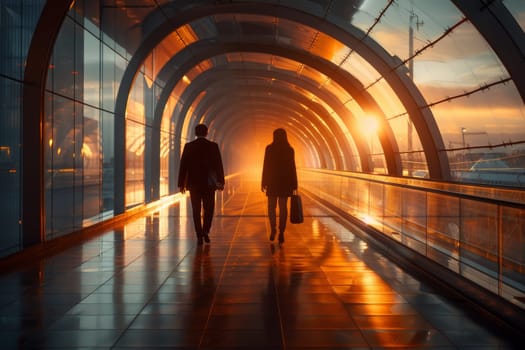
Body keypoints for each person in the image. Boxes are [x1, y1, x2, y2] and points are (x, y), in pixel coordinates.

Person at [178, 124, 225, 245]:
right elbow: (218, 165)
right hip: (209, 184)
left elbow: (183, 166)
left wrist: (181, 184)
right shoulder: (213, 146)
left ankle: (199, 234)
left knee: (196, 209)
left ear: (195, 133)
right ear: (206, 132)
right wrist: (221, 181)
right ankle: (206, 231)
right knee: (209, 209)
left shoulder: (189, 146)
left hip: (194, 184)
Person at [261, 128, 298, 244]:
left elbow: (265, 166)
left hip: (272, 182)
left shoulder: (269, 149)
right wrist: (294, 184)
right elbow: (293, 167)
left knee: (271, 207)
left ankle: (273, 229)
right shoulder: (289, 149)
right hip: (285, 183)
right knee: (283, 207)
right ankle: (282, 231)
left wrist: (263, 182)